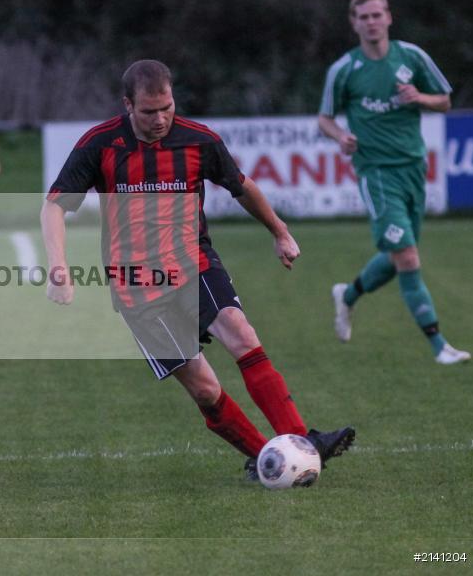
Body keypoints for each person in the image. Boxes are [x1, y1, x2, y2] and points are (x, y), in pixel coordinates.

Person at [42, 59, 355, 481]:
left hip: (194, 261)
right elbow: (55, 205)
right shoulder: (100, 144)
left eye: (167, 107)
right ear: (127, 105)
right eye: (149, 111)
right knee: (206, 389)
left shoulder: (198, 140)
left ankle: (302, 444)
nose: (160, 119)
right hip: (136, 284)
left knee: (242, 335)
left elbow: (241, 186)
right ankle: (265, 457)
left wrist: (279, 231)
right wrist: (58, 264)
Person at [319, 0, 470, 365]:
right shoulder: (345, 69)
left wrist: (419, 97)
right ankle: (440, 346)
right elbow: (324, 118)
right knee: (406, 254)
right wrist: (342, 137)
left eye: (377, 15)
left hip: (414, 168)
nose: (371, 22)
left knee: (398, 254)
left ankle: (348, 295)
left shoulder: (412, 57)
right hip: (376, 172)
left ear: (389, 17)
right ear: (354, 23)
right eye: (363, 17)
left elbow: (445, 100)